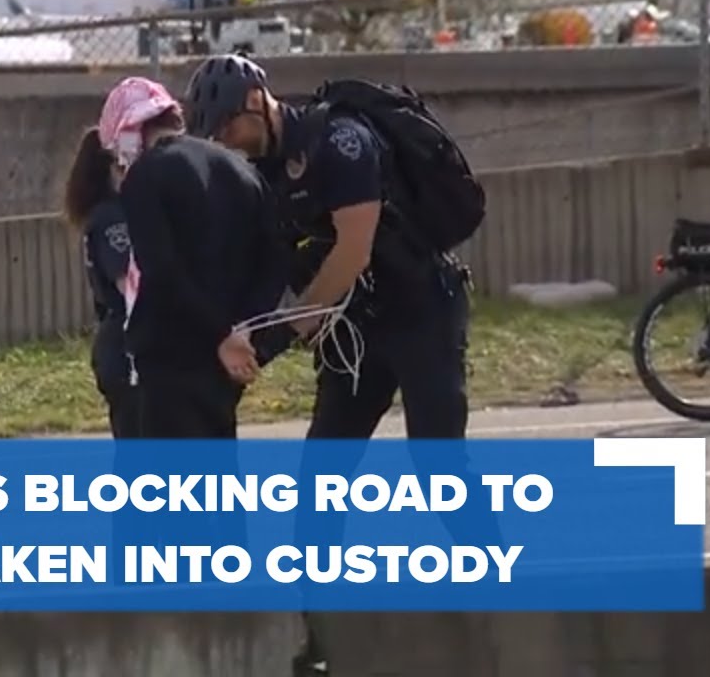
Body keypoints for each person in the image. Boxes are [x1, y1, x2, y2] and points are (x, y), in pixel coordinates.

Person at [183, 54, 489, 676]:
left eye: (225, 127)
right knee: (322, 475)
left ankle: (491, 594)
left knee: (436, 458)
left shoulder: (339, 140)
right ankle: (316, 631)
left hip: (422, 312)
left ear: (255, 104)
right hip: (359, 333)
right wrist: (237, 333)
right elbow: (269, 270)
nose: (223, 142)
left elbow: (353, 248)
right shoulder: (262, 173)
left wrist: (280, 336)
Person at [103, 76, 287, 438]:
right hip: (228, 361)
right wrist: (242, 331)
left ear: (127, 133)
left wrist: (219, 333)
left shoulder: (146, 175)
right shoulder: (242, 170)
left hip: (171, 357)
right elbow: (274, 260)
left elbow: (160, 270)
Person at [62, 127, 137, 437]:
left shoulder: (105, 215)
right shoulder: (111, 218)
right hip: (126, 346)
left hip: (119, 344)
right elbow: (129, 285)